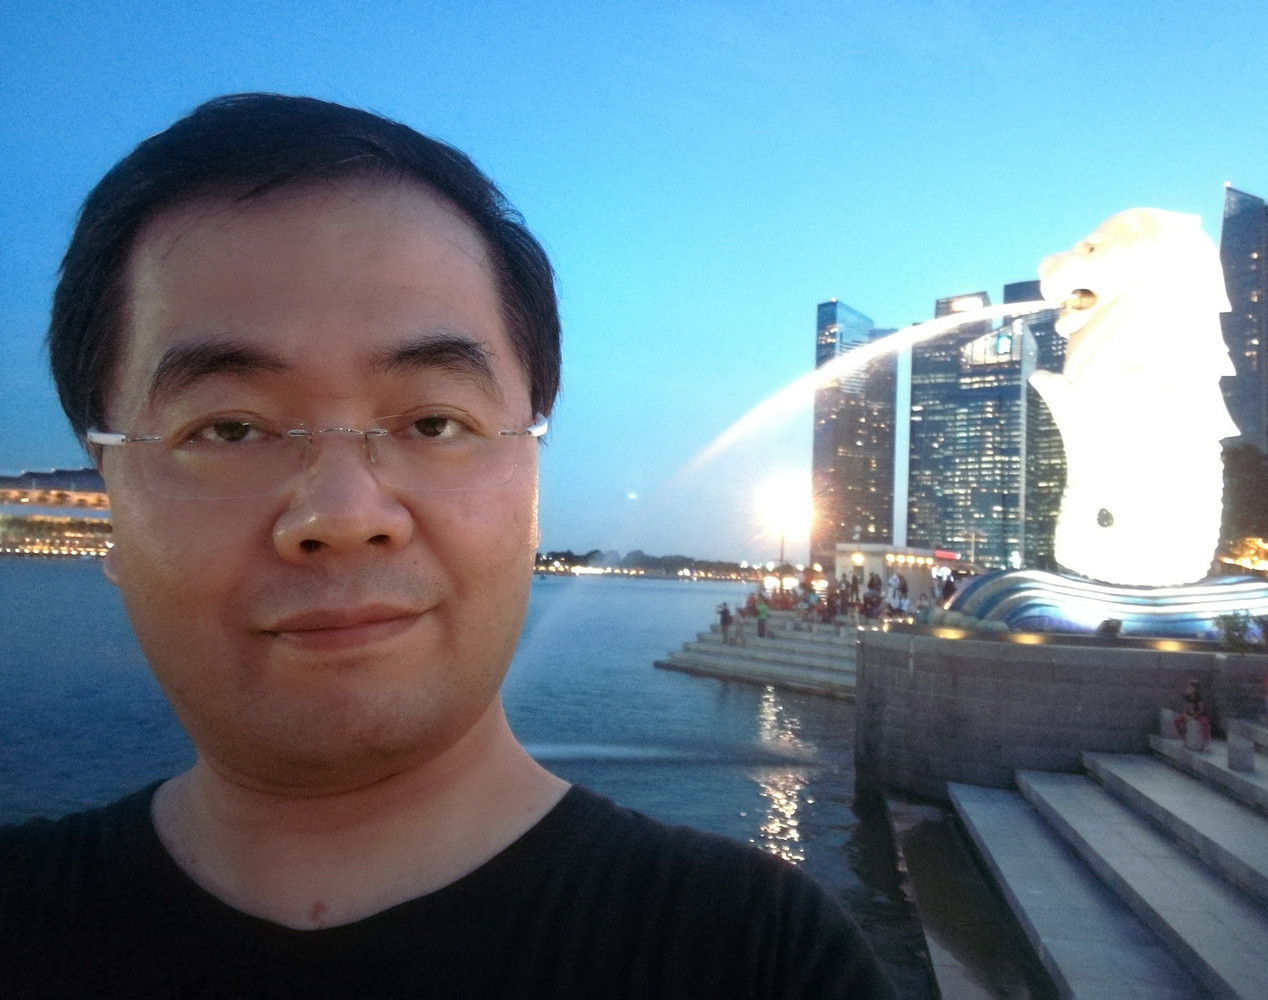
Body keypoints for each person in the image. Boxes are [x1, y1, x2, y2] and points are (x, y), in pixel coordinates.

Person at [0, 94, 892, 998]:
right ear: (109, 491)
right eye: (228, 430)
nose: (344, 513)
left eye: (434, 422)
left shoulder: (757, 959)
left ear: (532, 472)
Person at [1173, 679, 1211, 747]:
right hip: (1188, 715)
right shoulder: (1187, 696)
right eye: (1188, 687)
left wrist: (1194, 717)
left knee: (1205, 724)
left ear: (1195, 689)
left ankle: (1206, 743)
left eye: (1190, 688)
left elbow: (1201, 708)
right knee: (1176, 721)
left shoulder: (1198, 697)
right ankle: (1184, 739)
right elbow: (1185, 707)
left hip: (1198, 715)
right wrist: (1185, 715)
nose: (1188, 689)